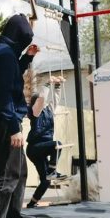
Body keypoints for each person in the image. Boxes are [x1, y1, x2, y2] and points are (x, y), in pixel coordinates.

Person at [0, 14, 39, 218]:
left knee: (19, 171)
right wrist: (14, 127)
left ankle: (14, 217)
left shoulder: (5, 52)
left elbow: (11, 77)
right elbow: (3, 93)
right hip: (5, 120)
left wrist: (27, 58)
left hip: (6, 118)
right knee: (7, 171)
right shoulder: (4, 55)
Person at [25, 76, 67, 209]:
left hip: (42, 148)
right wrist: (48, 84)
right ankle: (52, 170)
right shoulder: (35, 113)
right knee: (57, 144)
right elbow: (41, 99)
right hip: (34, 148)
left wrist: (58, 85)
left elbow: (55, 100)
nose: (43, 103)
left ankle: (32, 203)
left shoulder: (48, 111)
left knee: (46, 181)